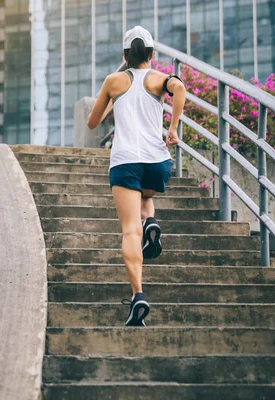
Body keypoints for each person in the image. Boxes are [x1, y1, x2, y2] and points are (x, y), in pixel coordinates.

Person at [87, 26, 186, 326]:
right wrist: (173, 128)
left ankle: (138, 295)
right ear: (152, 55)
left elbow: (93, 123)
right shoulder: (158, 79)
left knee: (130, 231)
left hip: (125, 162)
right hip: (157, 162)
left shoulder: (113, 81)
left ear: (124, 55)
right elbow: (179, 88)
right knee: (145, 196)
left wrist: (111, 103)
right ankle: (151, 220)